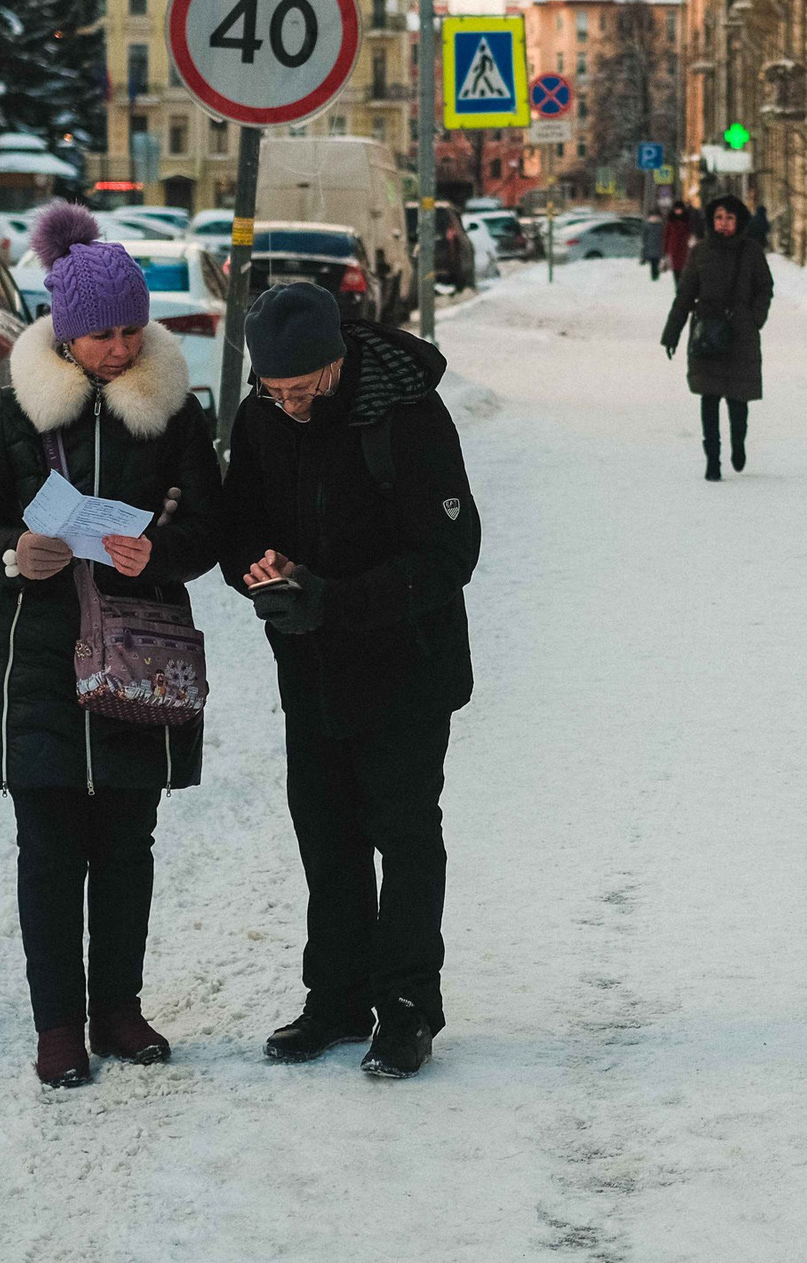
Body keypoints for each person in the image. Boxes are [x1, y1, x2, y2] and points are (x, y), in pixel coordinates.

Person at [0, 203, 225, 1090]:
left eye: (132, 330)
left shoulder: (174, 414)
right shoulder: (11, 416)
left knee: (128, 846)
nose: (120, 347)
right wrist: (11, 553)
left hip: (139, 656)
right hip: (40, 657)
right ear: (65, 335)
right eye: (102, 333)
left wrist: (163, 552)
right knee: (50, 851)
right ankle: (59, 1024)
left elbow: (210, 527)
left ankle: (119, 1008)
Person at [222, 281, 482, 1080]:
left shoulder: (405, 413)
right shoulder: (261, 416)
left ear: (338, 361)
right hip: (311, 665)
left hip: (407, 661)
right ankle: (335, 996)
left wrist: (335, 598)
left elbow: (452, 553)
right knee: (325, 831)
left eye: (305, 390)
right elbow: (240, 523)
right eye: (277, 392)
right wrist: (256, 570)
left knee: (402, 833)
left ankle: (407, 1006)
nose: (293, 406)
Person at [662, 195, 774, 482]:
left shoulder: (751, 251)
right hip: (707, 334)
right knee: (709, 399)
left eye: (730, 218)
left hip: (741, 335)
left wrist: (754, 319)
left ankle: (738, 444)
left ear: (739, 222)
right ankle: (712, 459)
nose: (724, 224)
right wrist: (671, 332)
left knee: (738, 400)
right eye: (719, 218)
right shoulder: (700, 252)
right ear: (712, 221)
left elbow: (765, 288)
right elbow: (685, 294)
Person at [662, 201, 694, 277]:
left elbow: (690, 233)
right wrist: (665, 250)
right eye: (676, 209)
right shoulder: (671, 220)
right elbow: (667, 235)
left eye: (679, 209)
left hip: (684, 247)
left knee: (683, 268)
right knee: (676, 268)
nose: (678, 211)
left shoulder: (687, 220)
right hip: (673, 247)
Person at [640, 209, 667, 281]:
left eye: (655, 216)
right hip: (650, 246)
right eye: (652, 216)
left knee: (656, 261)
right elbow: (644, 236)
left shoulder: (661, 226)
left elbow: (664, 236)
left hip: (658, 246)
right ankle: (654, 276)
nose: (654, 218)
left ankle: (656, 275)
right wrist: (645, 244)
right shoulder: (647, 225)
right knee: (653, 262)